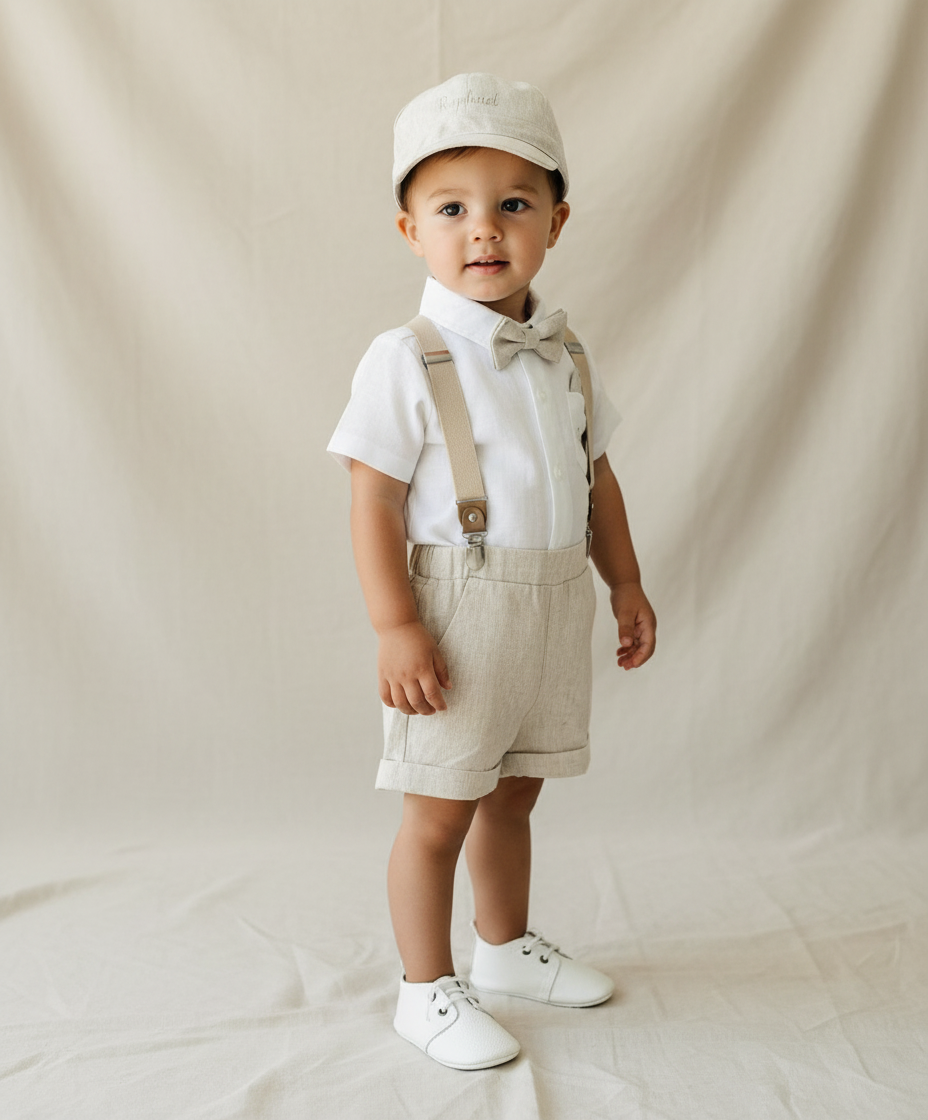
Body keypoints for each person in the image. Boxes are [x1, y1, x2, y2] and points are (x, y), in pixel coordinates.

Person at [328, 73, 656, 1070]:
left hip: (552, 605)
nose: (483, 229)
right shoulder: (406, 357)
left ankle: (503, 948)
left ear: (555, 222)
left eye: (513, 203)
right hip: (459, 618)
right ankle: (423, 988)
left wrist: (624, 583)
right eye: (451, 209)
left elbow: (597, 477)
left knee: (516, 793)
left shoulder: (565, 356)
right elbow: (373, 500)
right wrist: (395, 626)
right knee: (440, 810)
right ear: (409, 230)